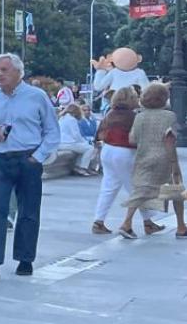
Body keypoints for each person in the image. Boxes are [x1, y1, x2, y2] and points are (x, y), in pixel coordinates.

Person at [0, 53, 60, 279]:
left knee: (28, 211)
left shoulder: (37, 96)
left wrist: (38, 156)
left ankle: (25, 258)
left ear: (18, 72)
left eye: (4, 70)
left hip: (27, 158)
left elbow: (52, 131)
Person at [117, 82, 185, 240]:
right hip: (164, 158)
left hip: (143, 157)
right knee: (176, 190)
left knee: (141, 190)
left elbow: (132, 139)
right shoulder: (169, 116)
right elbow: (169, 140)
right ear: (163, 99)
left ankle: (127, 223)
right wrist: (174, 165)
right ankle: (181, 226)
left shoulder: (139, 116)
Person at [92, 86, 140, 235]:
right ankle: (144, 222)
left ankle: (98, 221)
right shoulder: (133, 116)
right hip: (125, 151)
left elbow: (98, 134)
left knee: (108, 187)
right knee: (137, 189)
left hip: (108, 150)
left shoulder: (110, 113)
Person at [54, 104, 96, 176]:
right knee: (90, 148)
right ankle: (82, 167)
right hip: (68, 143)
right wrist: (85, 142)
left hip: (60, 143)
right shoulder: (72, 119)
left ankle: (78, 166)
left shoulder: (62, 118)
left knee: (83, 148)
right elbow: (76, 135)